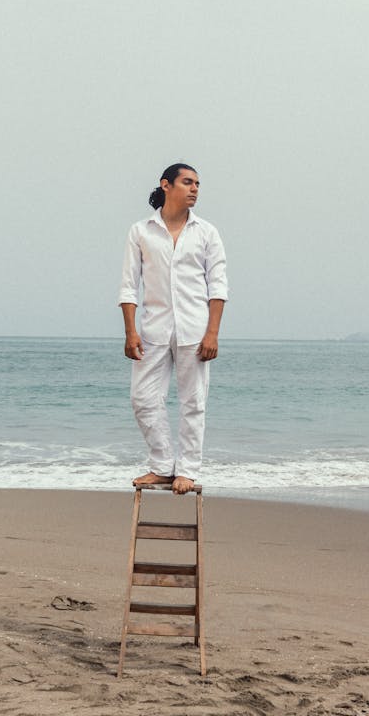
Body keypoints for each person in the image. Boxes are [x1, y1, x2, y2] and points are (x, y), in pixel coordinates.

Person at [118, 163, 228, 495]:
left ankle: (188, 470)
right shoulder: (141, 231)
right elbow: (128, 286)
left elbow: (218, 286)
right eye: (187, 182)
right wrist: (129, 331)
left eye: (197, 183)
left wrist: (212, 333)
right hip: (152, 330)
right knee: (143, 399)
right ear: (166, 185)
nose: (194, 188)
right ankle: (163, 465)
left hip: (195, 331)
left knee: (193, 402)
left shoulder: (207, 232)